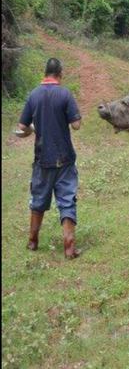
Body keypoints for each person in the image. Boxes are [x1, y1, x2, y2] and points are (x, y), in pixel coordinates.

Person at [16, 58, 82, 259]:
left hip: (42, 159)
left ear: (45, 73)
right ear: (60, 73)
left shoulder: (34, 94)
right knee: (67, 200)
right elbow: (77, 124)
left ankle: (33, 241)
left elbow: (22, 127)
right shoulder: (65, 93)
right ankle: (69, 247)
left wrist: (33, 129)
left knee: (38, 200)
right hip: (64, 159)